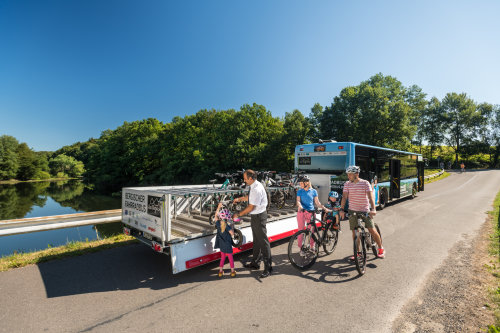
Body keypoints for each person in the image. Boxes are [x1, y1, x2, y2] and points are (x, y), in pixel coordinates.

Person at [339, 166, 385, 259]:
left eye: (350, 174)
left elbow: (370, 197)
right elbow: (344, 197)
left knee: (371, 229)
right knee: (355, 232)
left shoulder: (365, 183)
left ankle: (380, 248)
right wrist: (342, 209)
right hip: (352, 210)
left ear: (356, 174)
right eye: (348, 174)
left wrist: (373, 209)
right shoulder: (347, 184)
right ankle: (358, 252)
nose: (348, 176)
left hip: (365, 210)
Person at [233, 169, 272, 278]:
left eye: (245, 179)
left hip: (259, 216)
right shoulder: (253, 185)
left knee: (263, 242)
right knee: (257, 240)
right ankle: (255, 263)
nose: (244, 181)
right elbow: (250, 198)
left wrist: (238, 214)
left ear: (251, 178)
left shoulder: (256, 188)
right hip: (256, 216)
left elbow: (251, 206)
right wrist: (239, 199)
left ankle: (268, 267)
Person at [295, 175, 329, 255]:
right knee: (300, 231)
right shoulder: (299, 191)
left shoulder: (313, 191)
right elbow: (298, 201)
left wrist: (324, 208)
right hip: (301, 212)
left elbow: (317, 203)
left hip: (311, 212)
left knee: (311, 231)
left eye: (301, 183)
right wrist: (300, 206)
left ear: (306, 183)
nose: (300, 184)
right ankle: (301, 248)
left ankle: (312, 246)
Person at [213, 203, 236, 277]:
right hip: (227, 245)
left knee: (222, 258)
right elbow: (232, 234)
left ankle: (220, 271)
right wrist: (232, 226)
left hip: (221, 245)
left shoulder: (218, 223)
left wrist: (218, 207)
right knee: (230, 258)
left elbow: (215, 215)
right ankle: (232, 271)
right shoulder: (227, 226)